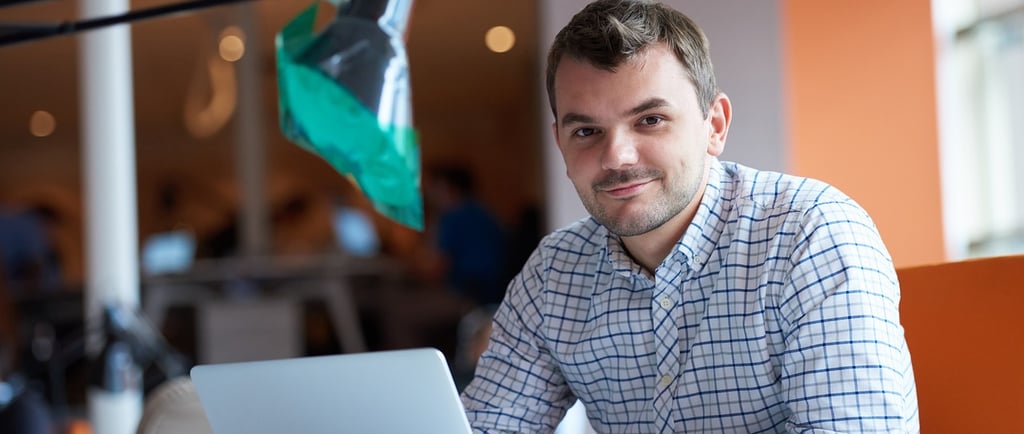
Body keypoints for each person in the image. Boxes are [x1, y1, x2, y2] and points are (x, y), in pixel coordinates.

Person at [460, 1, 919, 432]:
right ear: (561, 144)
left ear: (714, 125)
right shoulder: (553, 274)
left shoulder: (812, 235)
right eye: (586, 130)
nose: (617, 156)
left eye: (650, 120)